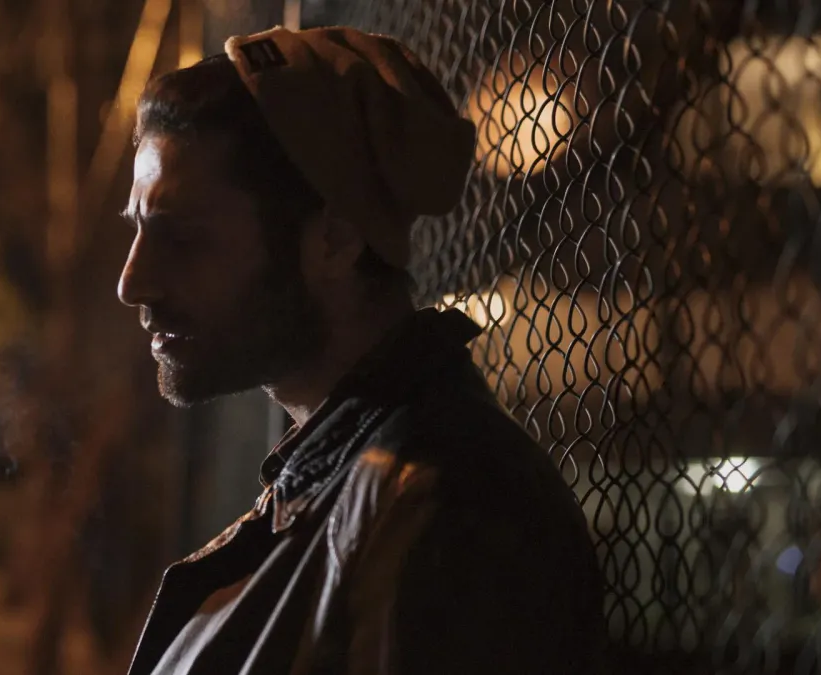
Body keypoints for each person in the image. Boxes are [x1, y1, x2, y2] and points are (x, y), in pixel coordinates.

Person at [117, 25, 604, 675]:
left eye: (181, 238)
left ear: (336, 239)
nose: (131, 283)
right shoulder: (343, 486)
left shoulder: (447, 508)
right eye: (137, 231)